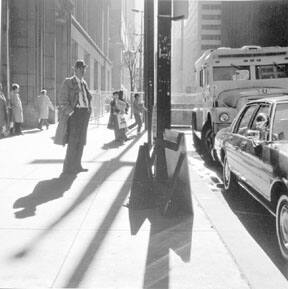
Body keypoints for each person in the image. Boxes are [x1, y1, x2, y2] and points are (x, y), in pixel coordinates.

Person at [59, 60, 92, 175]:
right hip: (75, 114)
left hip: (84, 114)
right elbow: (63, 100)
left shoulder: (84, 83)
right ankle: (68, 168)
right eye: (80, 68)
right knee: (73, 142)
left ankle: (77, 165)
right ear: (75, 69)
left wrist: (88, 110)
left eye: (84, 68)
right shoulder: (68, 82)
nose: (83, 71)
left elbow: (87, 98)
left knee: (81, 141)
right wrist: (72, 112)